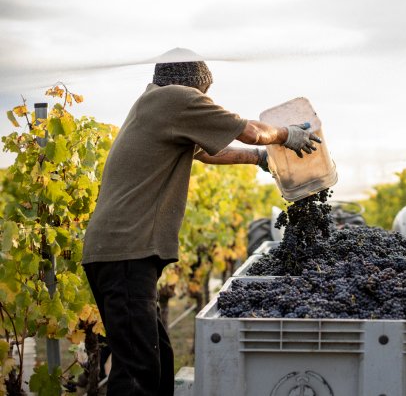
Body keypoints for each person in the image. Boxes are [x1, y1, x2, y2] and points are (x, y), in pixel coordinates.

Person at [81, 57, 321, 396]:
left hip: (117, 252)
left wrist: (259, 159)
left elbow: (208, 152)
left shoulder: (153, 107)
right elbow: (250, 131)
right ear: (197, 85)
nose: (206, 99)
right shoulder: (176, 98)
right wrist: (285, 135)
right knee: (137, 372)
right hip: (126, 252)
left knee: (156, 358)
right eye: (206, 92)